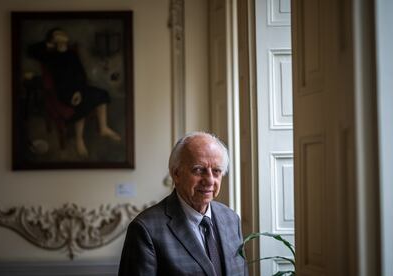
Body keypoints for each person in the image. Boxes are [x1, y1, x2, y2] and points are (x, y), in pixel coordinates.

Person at [118, 132, 248, 276]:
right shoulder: (145, 229)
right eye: (199, 170)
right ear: (176, 174)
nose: (210, 180)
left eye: (216, 171)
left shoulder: (231, 219)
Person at [27, 28, 121, 157]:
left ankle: (103, 128)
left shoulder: (72, 54)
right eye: (57, 35)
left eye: (62, 34)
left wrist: (79, 91)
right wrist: (48, 44)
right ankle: (79, 139)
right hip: (63, 91)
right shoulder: (49, 56)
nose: (62, 37)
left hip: (78, 88)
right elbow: (30, 50)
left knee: (102, 93)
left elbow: (81, 75)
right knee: (81, 104)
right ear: (53, 40)